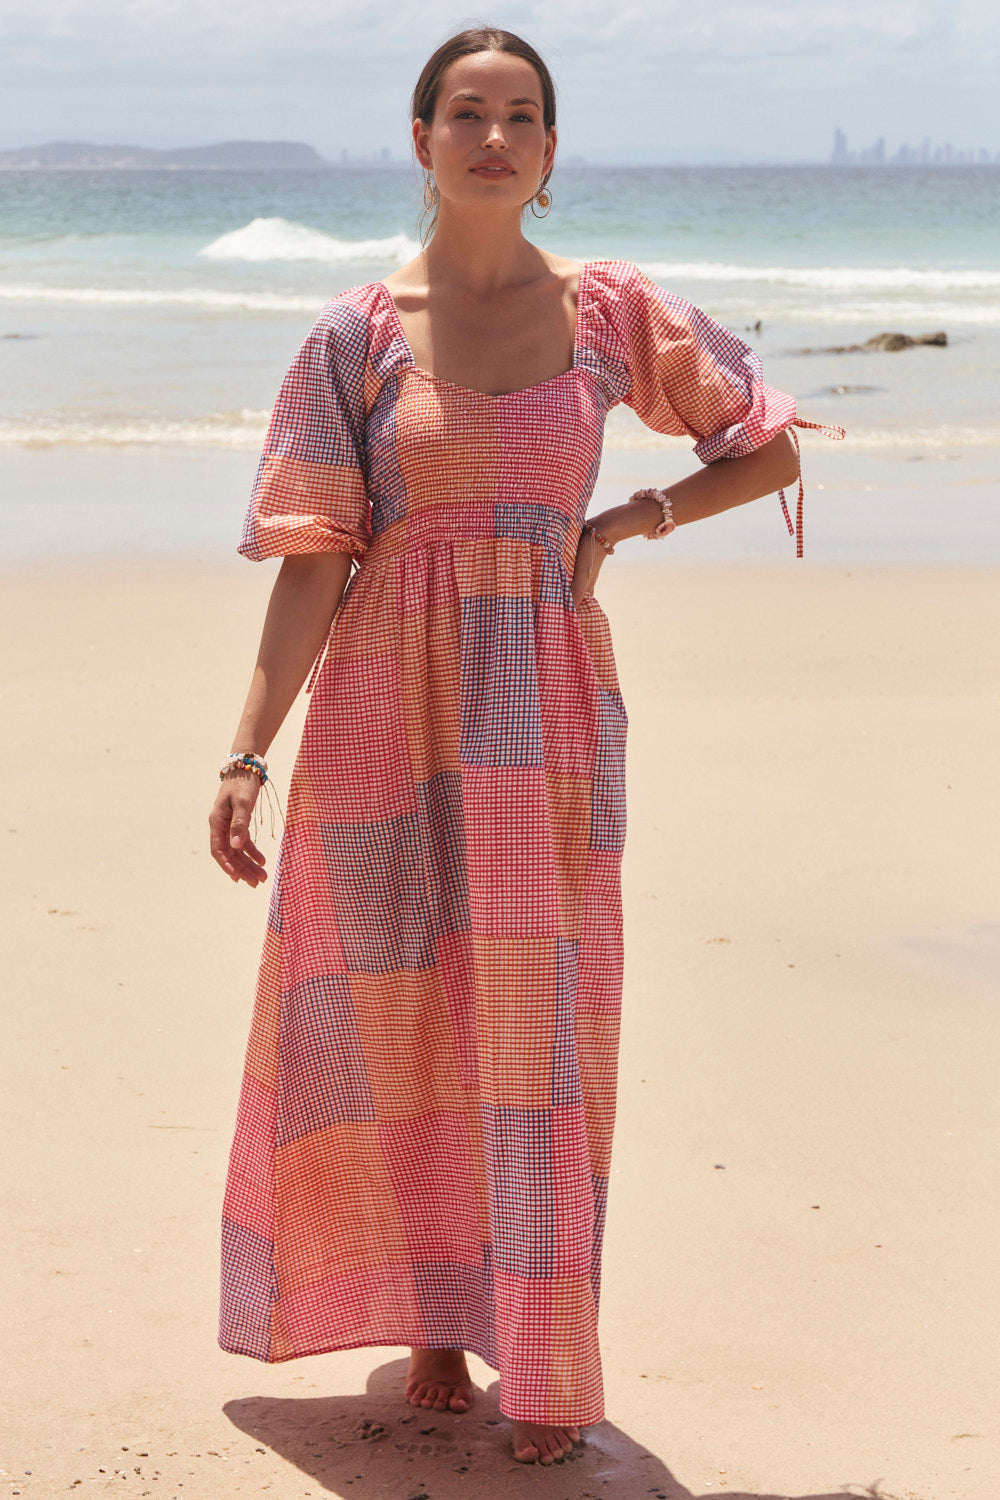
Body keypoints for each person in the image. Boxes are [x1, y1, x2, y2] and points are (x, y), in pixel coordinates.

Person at [209, 26, 838, 1468]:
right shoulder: (353, 335)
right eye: (468, 114)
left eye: (523, 118)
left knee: (540, 1028)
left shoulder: (613, 314)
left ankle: (545, 1354)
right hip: (381, 707)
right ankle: (435, 1318)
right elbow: (313, 559)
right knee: (392, 1011)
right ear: (420, 138)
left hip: (547, 709)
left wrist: (630, 521)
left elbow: (771, 442)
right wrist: (246, 753)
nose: (495, 138)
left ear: (550, 157)